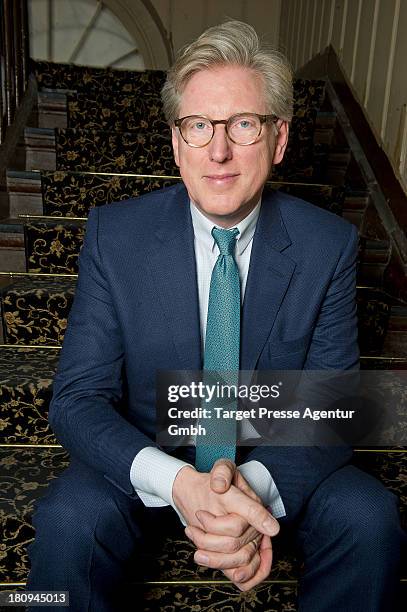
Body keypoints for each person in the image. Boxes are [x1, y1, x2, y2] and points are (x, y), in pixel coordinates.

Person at [26, 20, 403, 611]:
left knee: (369, 516)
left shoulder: (326, 244)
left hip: (269, 464)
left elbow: (335, 405)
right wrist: (180, 484)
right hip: (147, 464)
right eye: (198, 126)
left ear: (279, 139)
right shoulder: (115, 236)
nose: (219, 150)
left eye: (243, 125)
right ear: (177, 143)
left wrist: (246, 496)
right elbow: (77, 398)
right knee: (68, 520)